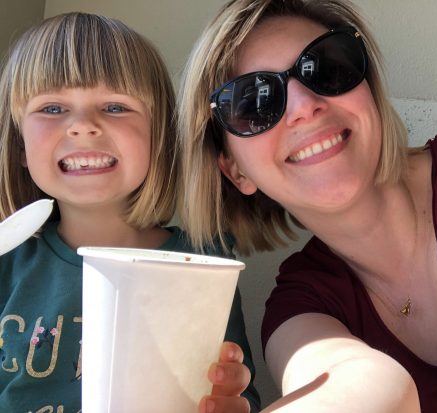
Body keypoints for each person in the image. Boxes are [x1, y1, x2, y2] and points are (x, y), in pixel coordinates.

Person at [177, 0, 437, 412]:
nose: (305, 106)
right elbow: (347, 388)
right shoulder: (300, 304)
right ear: (235, 172)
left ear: (368, 89)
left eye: (326, 66)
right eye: (253, 103)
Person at [0, 12, 260, 413]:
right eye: (52, 108)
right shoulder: (7, 261)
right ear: (19, 145)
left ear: (158, 137)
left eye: (115, 106)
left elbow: (234, 394)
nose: (83, 126)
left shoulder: (205, 263)